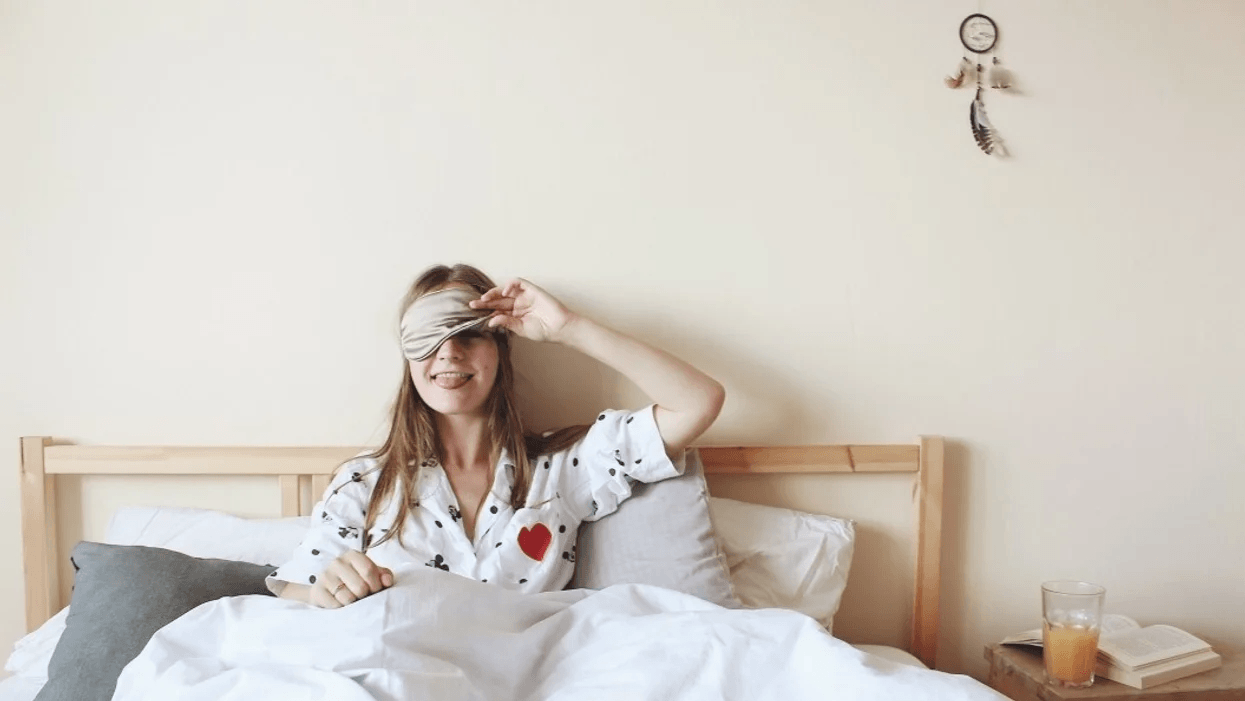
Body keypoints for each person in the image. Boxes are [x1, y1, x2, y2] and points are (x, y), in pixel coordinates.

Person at [266, 263, 725, 608]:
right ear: (408, 358)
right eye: (429, 336)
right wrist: (326, 592)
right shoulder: (365, 482)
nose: (449, 351)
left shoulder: (562, 471)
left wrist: (569, 329)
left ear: (500, 351)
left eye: (470, 333)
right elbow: (291, 598)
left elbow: (699, 402)